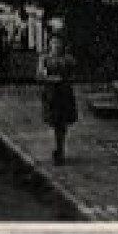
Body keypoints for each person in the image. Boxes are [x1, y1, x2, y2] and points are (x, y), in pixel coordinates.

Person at [39, 25, 78, 165]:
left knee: (62, 123)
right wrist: (51, 79)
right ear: (49, 44)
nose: (56, 45)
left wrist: (67, 79)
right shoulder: (45, 59)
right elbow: (40, 76)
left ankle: (59, 149)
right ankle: (58, 148)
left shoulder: (68, 59)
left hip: (64, 94)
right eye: (53, 42)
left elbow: (74, 75)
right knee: (55, 122)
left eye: (58, 43)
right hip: (51, 95)